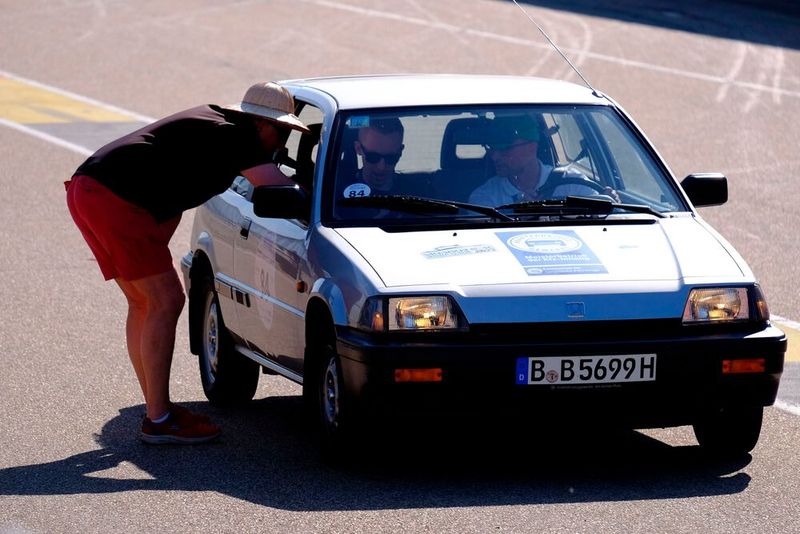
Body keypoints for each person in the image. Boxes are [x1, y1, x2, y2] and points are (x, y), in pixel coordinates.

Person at [65, 82, 309, 445]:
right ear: (262, 124)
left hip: (89, 191)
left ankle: (157, 410)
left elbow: (173, 183)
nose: (283, 144)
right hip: (113, 199)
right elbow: (279, 190)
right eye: (283, 132)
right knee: (167, 300)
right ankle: (159, 420)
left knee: (145, 303)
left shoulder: (219, 124)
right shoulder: (240, 137)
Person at [468, 115, 614, 206]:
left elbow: (600, 218)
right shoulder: (484, 198)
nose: (494, 156)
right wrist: (515, 215)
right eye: (491, 149)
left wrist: (610, 202)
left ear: (531, 147)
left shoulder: (573, 184)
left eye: (504, 149)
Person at [351, 117, 406, 194]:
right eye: (373, 157)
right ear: (358, 148)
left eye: (391, 158)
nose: (381, 167)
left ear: (400, 152)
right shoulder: (335, 194)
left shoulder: (417, 191)